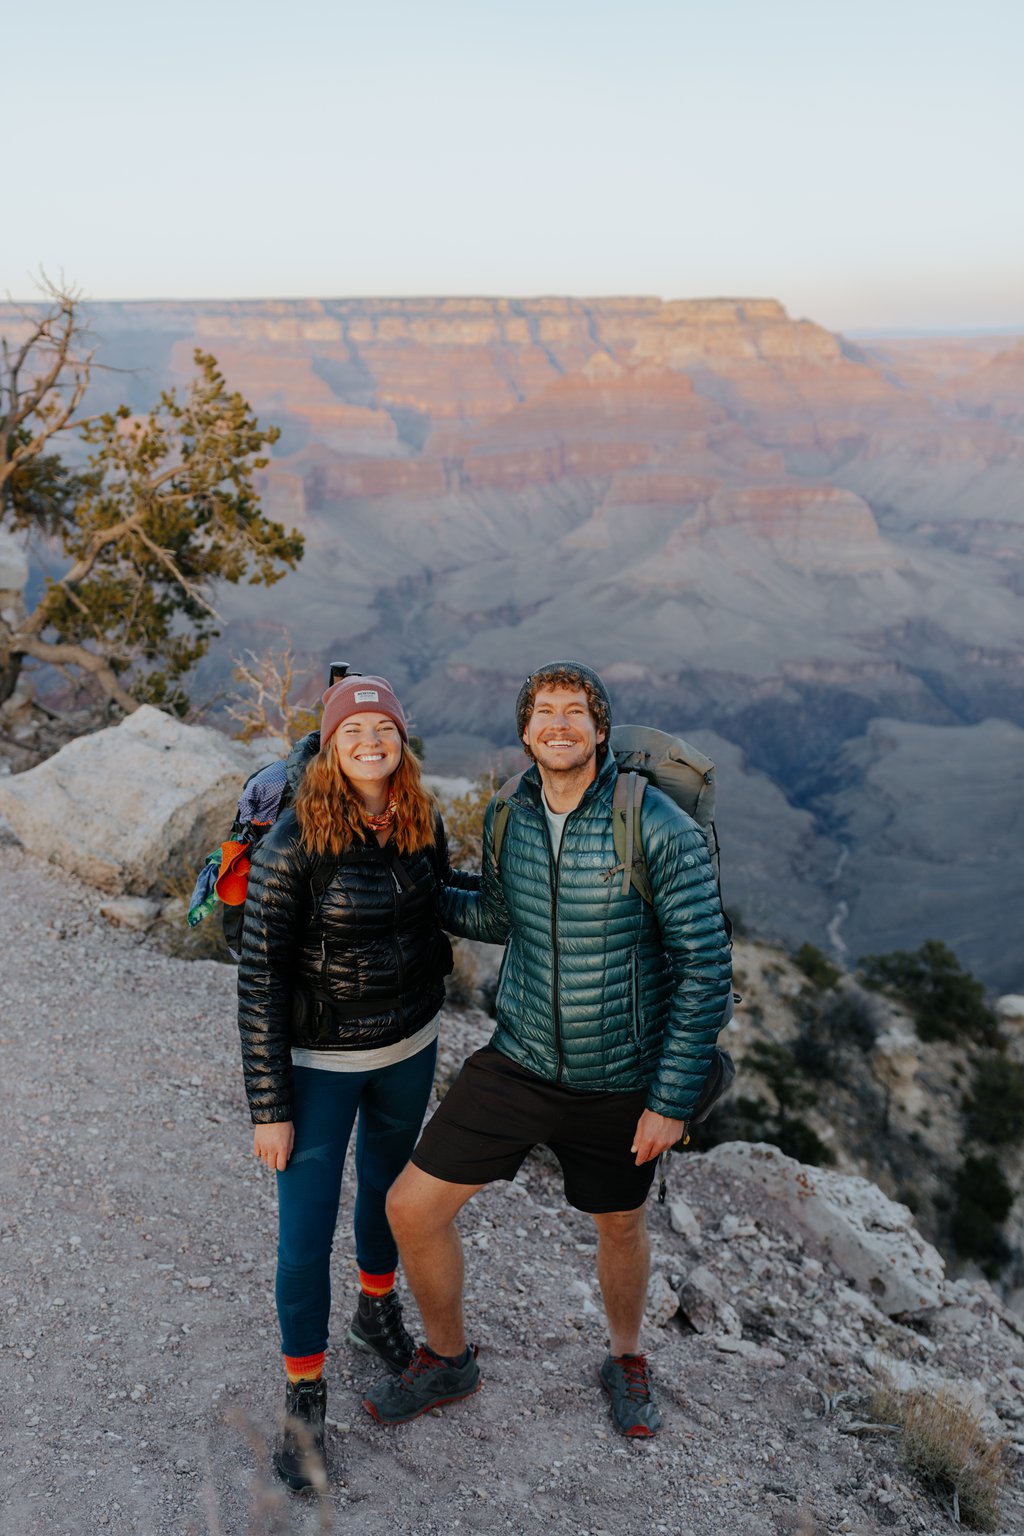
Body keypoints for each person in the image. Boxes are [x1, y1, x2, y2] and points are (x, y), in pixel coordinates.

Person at [363, 660, 732, 1438]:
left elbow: (705, 965)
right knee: (412, 1207)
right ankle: (448, 1357)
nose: (558, 723)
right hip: (521, 1057)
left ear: (600, 729)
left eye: (575, 711)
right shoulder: (510, 814)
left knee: (621, 1227)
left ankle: (626, 1357)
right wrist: (415, 885)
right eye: (543, 711)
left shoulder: (654, 825)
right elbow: (499, 916)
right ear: (525, 731)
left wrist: (670, 1099)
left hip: (621, 1074)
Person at [236, 673, 471, 1491]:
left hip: (410, 1045)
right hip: (319, 1066)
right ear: (332, 745)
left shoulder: (420, 816)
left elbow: (440, 902)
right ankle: (304, 1392)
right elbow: (260, 978)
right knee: (304, 1233)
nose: (371, 742)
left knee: (387, 1192)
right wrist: (270, 1107)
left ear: (402, 739)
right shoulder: (293, 842)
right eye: (354, 730)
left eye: (384, 729)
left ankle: (376, 1311)